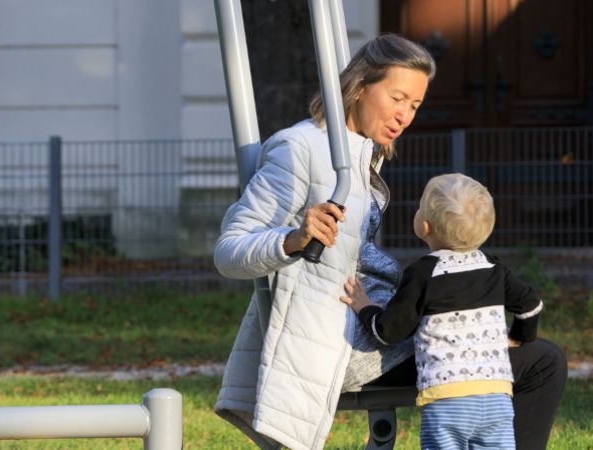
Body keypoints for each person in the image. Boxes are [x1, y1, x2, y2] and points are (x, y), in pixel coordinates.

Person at [212, 34, 565, 450]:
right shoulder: (300, 148)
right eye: (397, 98)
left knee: (531, 354)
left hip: (380, 325)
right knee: (542, 361)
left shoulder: (361, 153)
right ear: (360, 87)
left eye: (414, 106)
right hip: (347, 344)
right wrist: (293, 238)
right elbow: (228, 251)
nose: (404, 115)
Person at [341, 174, 542, 450]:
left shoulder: (423, 273)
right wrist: (518, 337)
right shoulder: (494, 269)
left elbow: (389, 331)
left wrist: (365, 308)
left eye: (420, 205)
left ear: (425, 226)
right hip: (496, 396)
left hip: (448, 399)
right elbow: (532, 306)